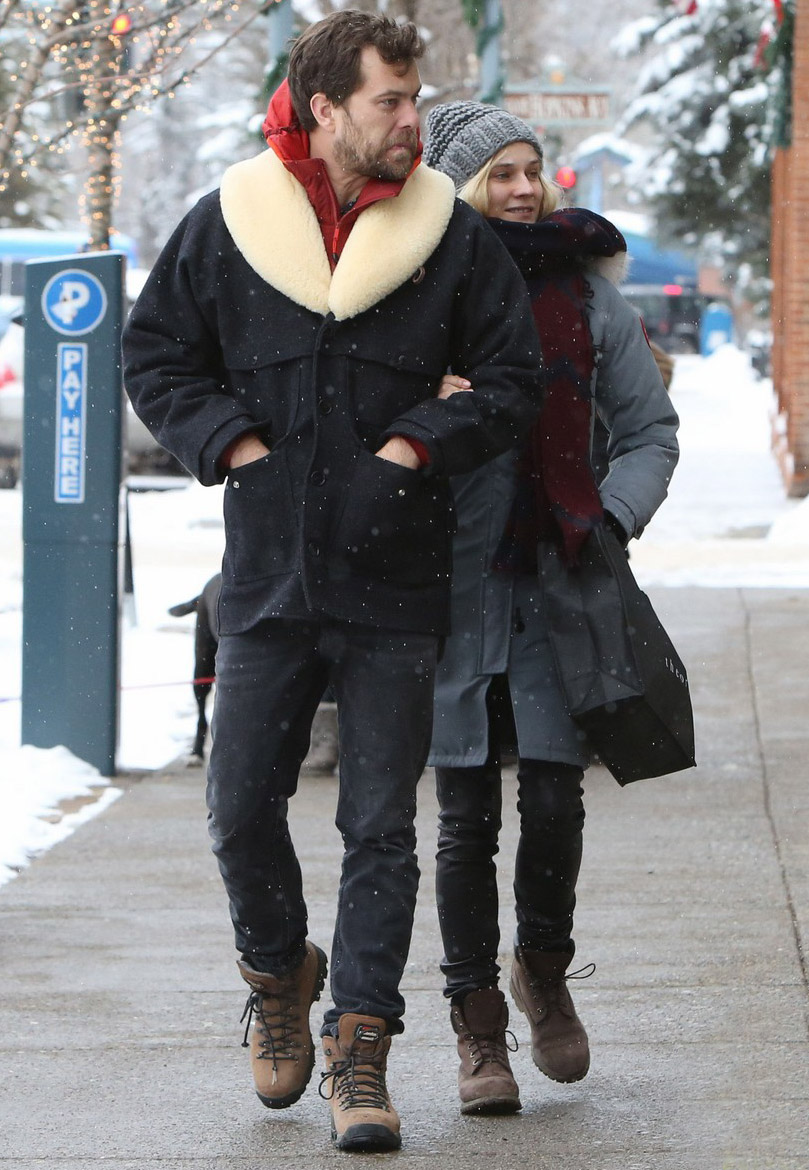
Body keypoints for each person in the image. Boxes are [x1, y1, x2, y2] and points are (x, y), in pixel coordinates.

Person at [122, 19, 543, 1153]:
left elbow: (511, 378)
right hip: (262, 581)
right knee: (237, 805)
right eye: (392, 102)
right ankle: (277, 974)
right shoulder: (229, 227)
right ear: (326, 109)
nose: (414, 121)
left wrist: (414, 446)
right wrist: (238, 449)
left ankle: (361, 1047)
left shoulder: (450, 242)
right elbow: (155, 356)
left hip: (398, 581)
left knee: (378, 829)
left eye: (416, 99)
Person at [423, 101, 680, 1116]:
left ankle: (544, 970)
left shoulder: (587, 295)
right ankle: (475, 1024)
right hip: (451, 591)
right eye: (501, 173)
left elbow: (649, 428)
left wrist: (609, 517)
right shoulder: (417, 296)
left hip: (561, 578)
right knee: (461, 818)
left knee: (559, 797)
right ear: (457, 188)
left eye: (533, 169)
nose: (523, 188)